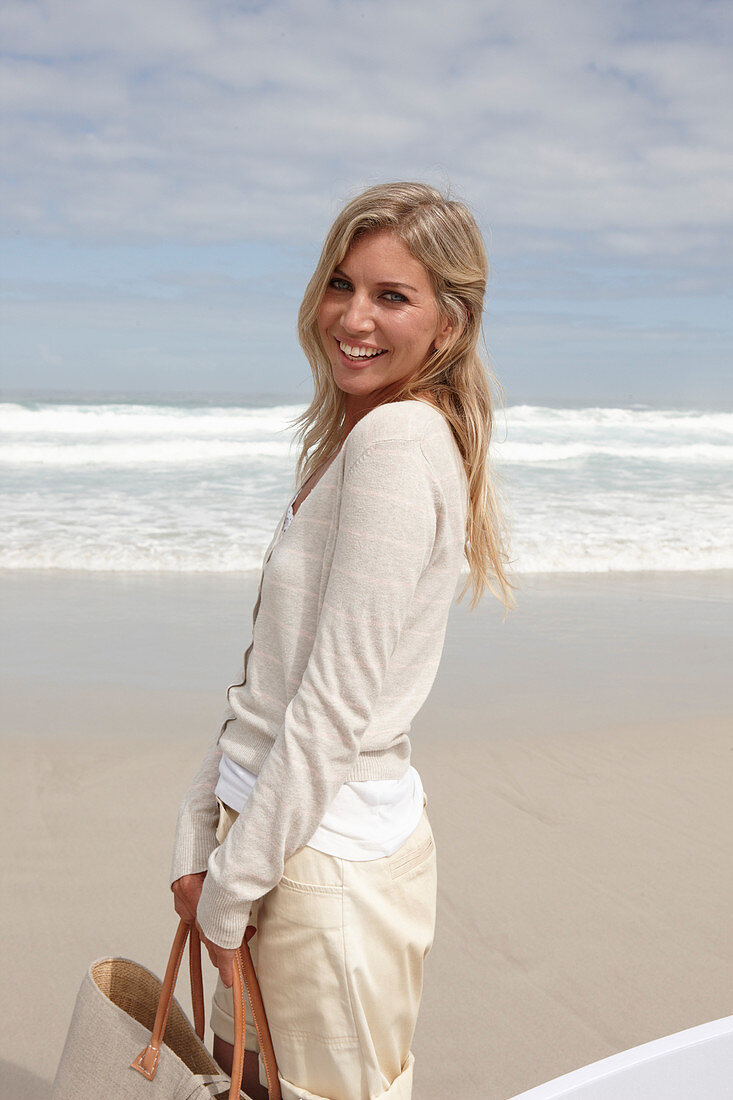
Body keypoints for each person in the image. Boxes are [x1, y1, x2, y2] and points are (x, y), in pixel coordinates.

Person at [170, 181, 514, 1100]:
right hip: (273, 836)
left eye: (391, 296)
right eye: (340, 284)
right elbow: (271, 682)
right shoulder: (356, 436)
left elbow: (330, 707)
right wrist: (200, 830)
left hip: (315, 862)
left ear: (448, 324)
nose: (352, 318)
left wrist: (231, 893)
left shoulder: (396, 445)